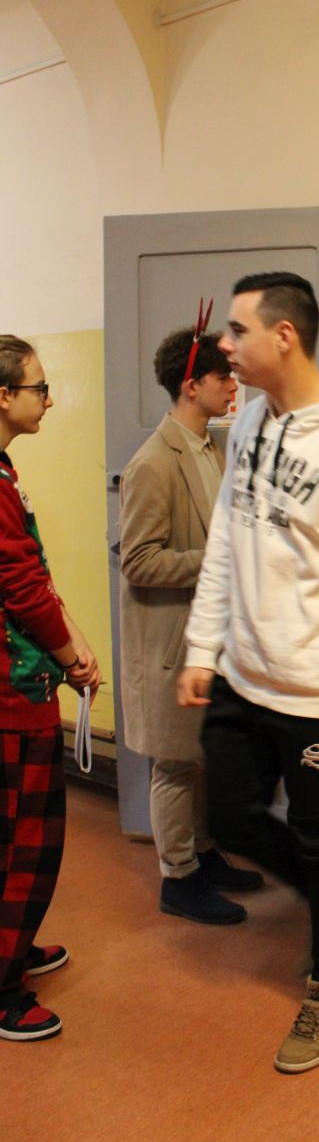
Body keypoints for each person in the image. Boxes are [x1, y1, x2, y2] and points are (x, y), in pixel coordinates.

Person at [177, 272, 319, 1075]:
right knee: (233, 819)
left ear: (284, 337)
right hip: (244, 676)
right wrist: (203, 648)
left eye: (237, 331)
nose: (224, 346)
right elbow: (226, 540)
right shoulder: (247, 420)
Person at [119, 328, 262, 925]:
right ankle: (177, 878)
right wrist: (218, 559)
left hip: (210, 637)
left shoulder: (211, 447)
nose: (234, 387)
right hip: (170, 640)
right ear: (191, 384)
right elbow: (138, 561)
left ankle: (202, 853)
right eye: (223, 377)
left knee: (204, 754)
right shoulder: (153, 462)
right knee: (175, 763)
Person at [0, 336, 102, 1041]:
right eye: (38, 387)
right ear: (4, 396)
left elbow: (32, 578)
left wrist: (73, 643)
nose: (49, 398)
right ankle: (4, 988)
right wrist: (70, 656)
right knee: (26, 843)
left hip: (20, 684)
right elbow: (22, 588)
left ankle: (12, 945)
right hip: (14, 695)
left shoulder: (6, 473)